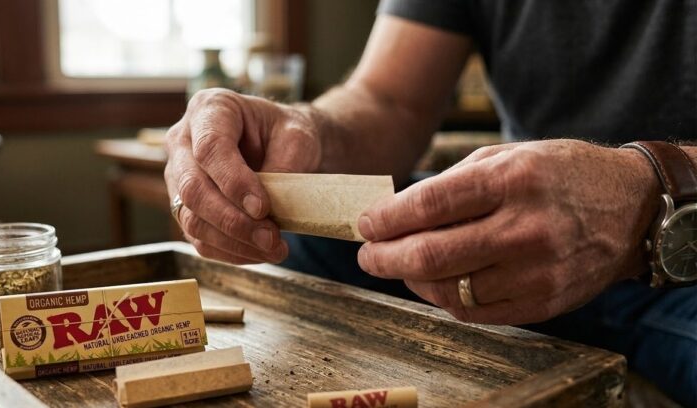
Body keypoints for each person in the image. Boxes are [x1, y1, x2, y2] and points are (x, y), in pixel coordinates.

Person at [164, 1, 696, 405]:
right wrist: (310, 130)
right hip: (514, 243)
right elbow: (388, 101)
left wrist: (643, 193)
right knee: (289, 247)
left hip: (685, 258)